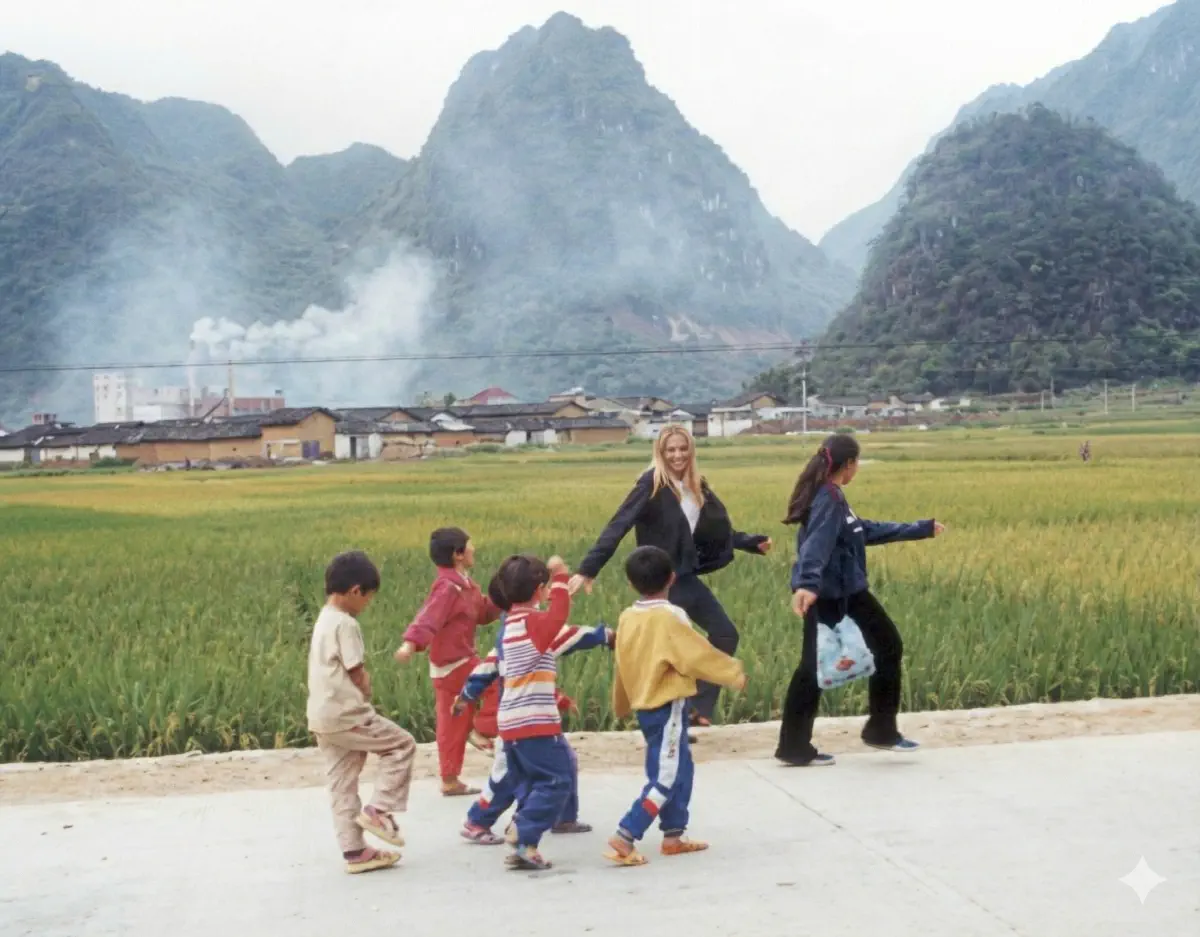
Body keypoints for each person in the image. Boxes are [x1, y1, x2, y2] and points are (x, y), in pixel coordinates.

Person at [570, 424, 770, 726]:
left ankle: (697, 708)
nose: (677, 455)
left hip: (686, 578)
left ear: (691, 450)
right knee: (672, 651)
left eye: (682, 448)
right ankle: (672, 715)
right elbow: (619, 523)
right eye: (670, 450)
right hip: (661, 583)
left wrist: (750, 542)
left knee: (725, 633)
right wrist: (588, 569)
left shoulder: (695, 485)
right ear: (660, 453)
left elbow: (714, 532)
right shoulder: (651, 483)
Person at [776, 433, 944, 767]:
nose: (858, 468)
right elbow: (816, 544)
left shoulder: (834, 496)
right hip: (830, 596)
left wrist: (919, 529)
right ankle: (804, 744)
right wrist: (807, 584)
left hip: (847, 592)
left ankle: (877, 730)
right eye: (858, 462)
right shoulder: (828, 498)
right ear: (849, 464)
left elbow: (862, 531)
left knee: (882, 648)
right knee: (817, 667)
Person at [604, 545, 748, 867]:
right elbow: (695, 654)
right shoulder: (671, 617)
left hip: (645, 706)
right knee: (667, 775)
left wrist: (622, 698)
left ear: (630, 584)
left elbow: (623, 661)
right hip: (667, 706)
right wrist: (732, 673)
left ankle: (673, 836)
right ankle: (626, 835)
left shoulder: (628, 617)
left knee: (680, 767)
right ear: (672, 578)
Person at [456, 575, 614, 846]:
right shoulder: (533, 628)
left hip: (523, 715)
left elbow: (487, 669)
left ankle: (564, 817)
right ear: (538, 592)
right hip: (524, 720)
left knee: (564, 761)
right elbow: (572, 635)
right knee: (509, 776)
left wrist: (467, 694)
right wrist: (606, 635)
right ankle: (478, 820)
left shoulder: (509, 631)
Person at [306, 550, 416, 875]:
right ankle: (378, 810)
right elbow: (356, 669)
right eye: (368, 598)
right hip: (347, 714)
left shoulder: (323, 619)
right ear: (356, 591)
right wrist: (366, 690)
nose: (367, 604)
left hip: (322, 717)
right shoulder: (346, 623)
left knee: (341, 782)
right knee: (401, 745)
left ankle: (355, 852)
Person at [395, 527, 500, 796]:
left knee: (452, 721)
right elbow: (428, 617)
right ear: (458, 554)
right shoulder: (448, 587)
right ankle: (484, 730)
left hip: (446, 666)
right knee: (495, 679)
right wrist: (410, 643)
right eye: (470, 545)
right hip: (458, 663)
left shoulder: (464, 585)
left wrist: (507, 597)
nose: (474, 549)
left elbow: (483, 611)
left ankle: (450, 780)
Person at [488, 552, 575, 870]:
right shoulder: (533, 622)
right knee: (557, 780)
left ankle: (526, 845)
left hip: (512, 722)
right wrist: (562, 577)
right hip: (533, 723)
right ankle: (523, 831)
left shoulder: (511, 625)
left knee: (531, 785)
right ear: (540, 589)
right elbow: (559, 615)